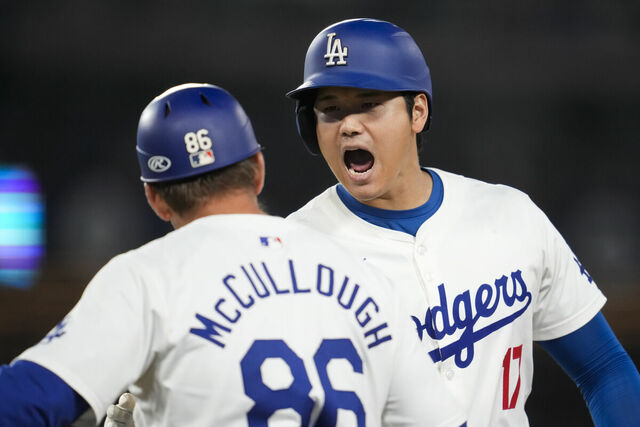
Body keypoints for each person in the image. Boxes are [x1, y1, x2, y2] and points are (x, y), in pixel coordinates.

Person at [0, 83, 467, 426]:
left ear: (155, 198)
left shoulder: (146, 278)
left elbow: (28, 401)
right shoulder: (363, 278)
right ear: (258, 170)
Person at [285, 18, 640, 426]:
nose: (348, 125)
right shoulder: (296, 253)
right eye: (330, 110)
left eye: (368, 104)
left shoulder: (510, 216)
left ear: (417, 112)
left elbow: (605, 369)